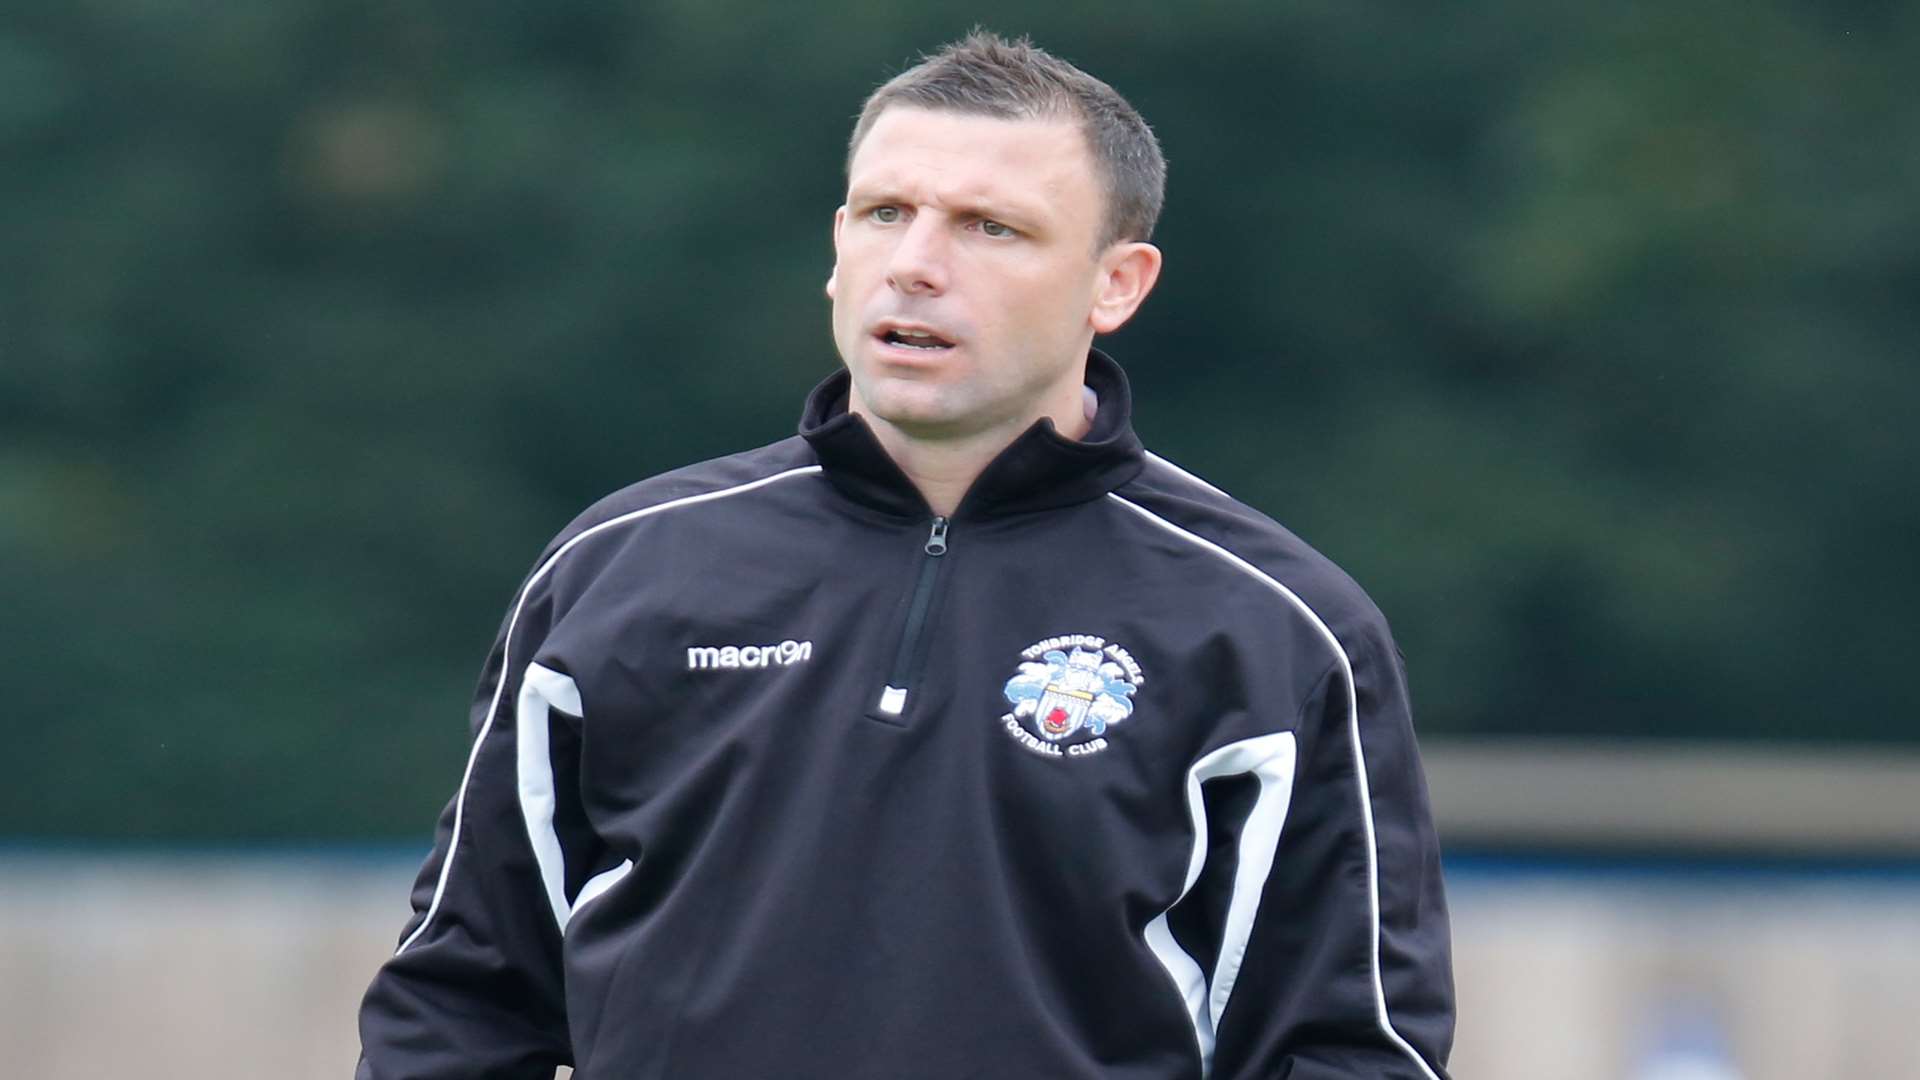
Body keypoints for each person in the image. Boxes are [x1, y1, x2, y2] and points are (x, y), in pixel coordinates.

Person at [357, 31, 1453, 1080]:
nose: (917, 265)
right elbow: (463, 998)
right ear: (838, 248)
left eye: (990, 228)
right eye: (887, 214)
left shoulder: (1272, 627)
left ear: (1115, 283)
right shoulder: (621, 571)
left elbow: (1351, 1045)